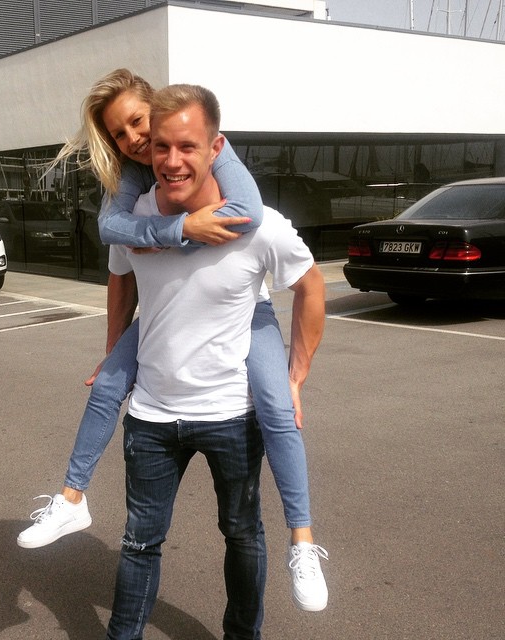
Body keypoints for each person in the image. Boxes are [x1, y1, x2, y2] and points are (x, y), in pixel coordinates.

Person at [17, 69, 328, 612]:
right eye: (121, 134)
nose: (136, 141)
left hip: (247, 316)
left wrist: (297, 374)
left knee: (279, 409)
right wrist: (175, 236)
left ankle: (302, 540)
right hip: (161, 360)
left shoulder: (233, 184)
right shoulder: (132, 186)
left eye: (140, 123)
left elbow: (252, 217)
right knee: (106, 386)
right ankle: (71, 498)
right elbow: (115, 254)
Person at [105, 83, 326, 638]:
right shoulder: (133, 218)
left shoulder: (257, 224)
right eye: (161, 146)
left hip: (232, 414)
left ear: (215, 148)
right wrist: (113, 359)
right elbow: (120, 281)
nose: (172, 160)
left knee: (243, 535)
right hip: (152, 417)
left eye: (188, 146)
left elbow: (311, 285)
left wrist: (296, 374)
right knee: (138, 543)